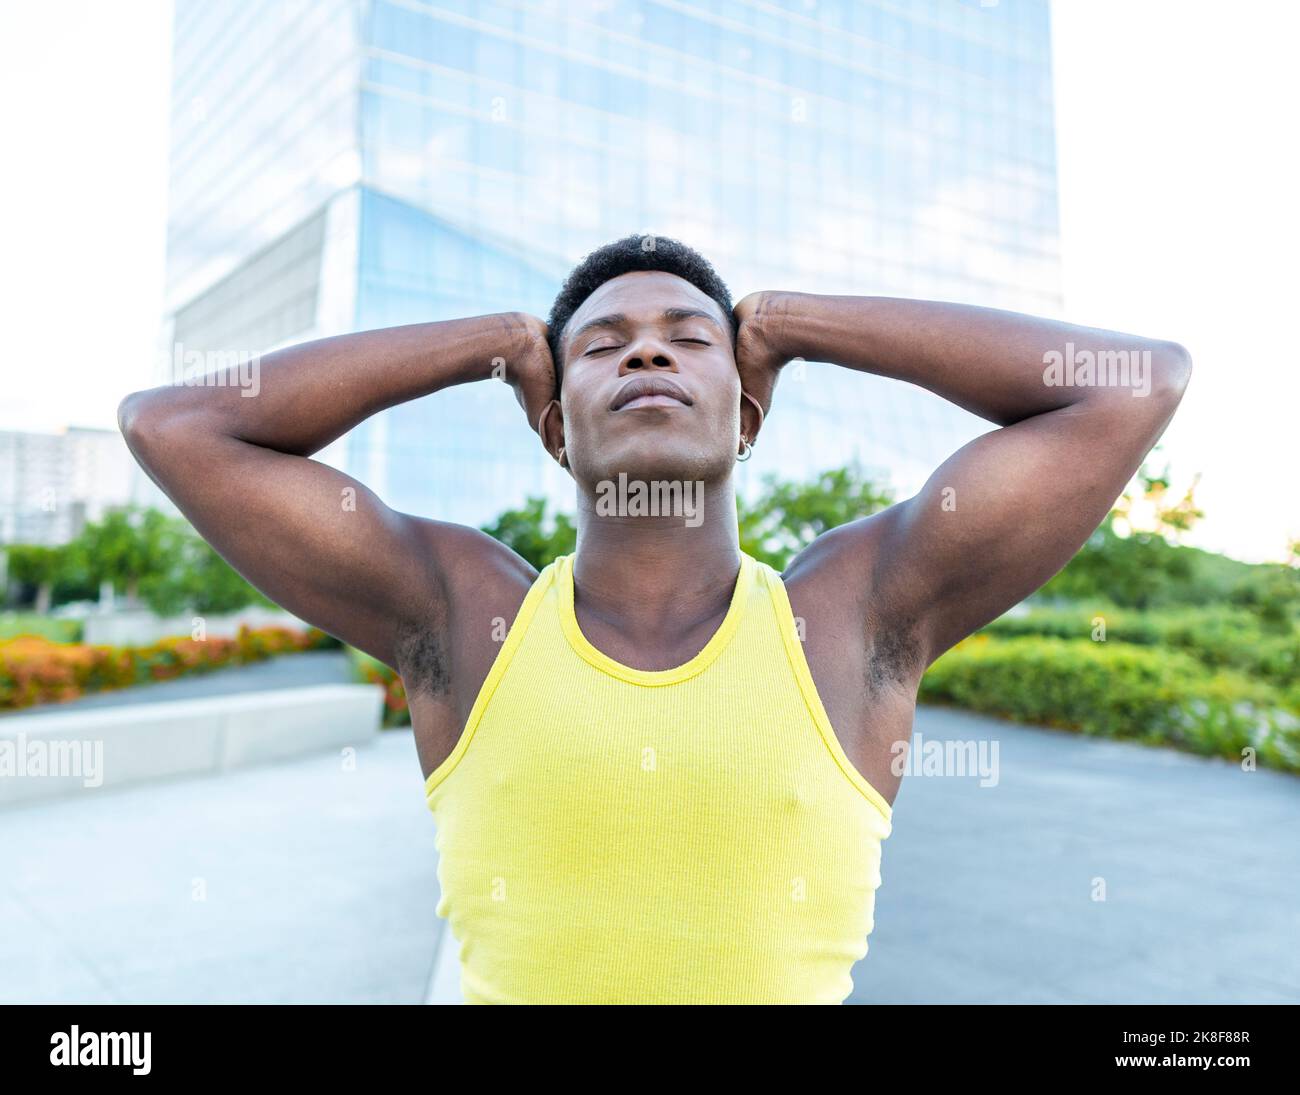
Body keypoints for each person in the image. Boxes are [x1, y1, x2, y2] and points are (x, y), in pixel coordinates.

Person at [118, 233, 1191, 1004]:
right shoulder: (462, 610)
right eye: (600, 345)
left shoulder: (853, 614)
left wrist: (789, 323)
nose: (645, 353)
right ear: (553, 426)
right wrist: (492, 338)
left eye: (689, 339)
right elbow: (174, 425)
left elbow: (1131, 387)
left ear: (746, 413)